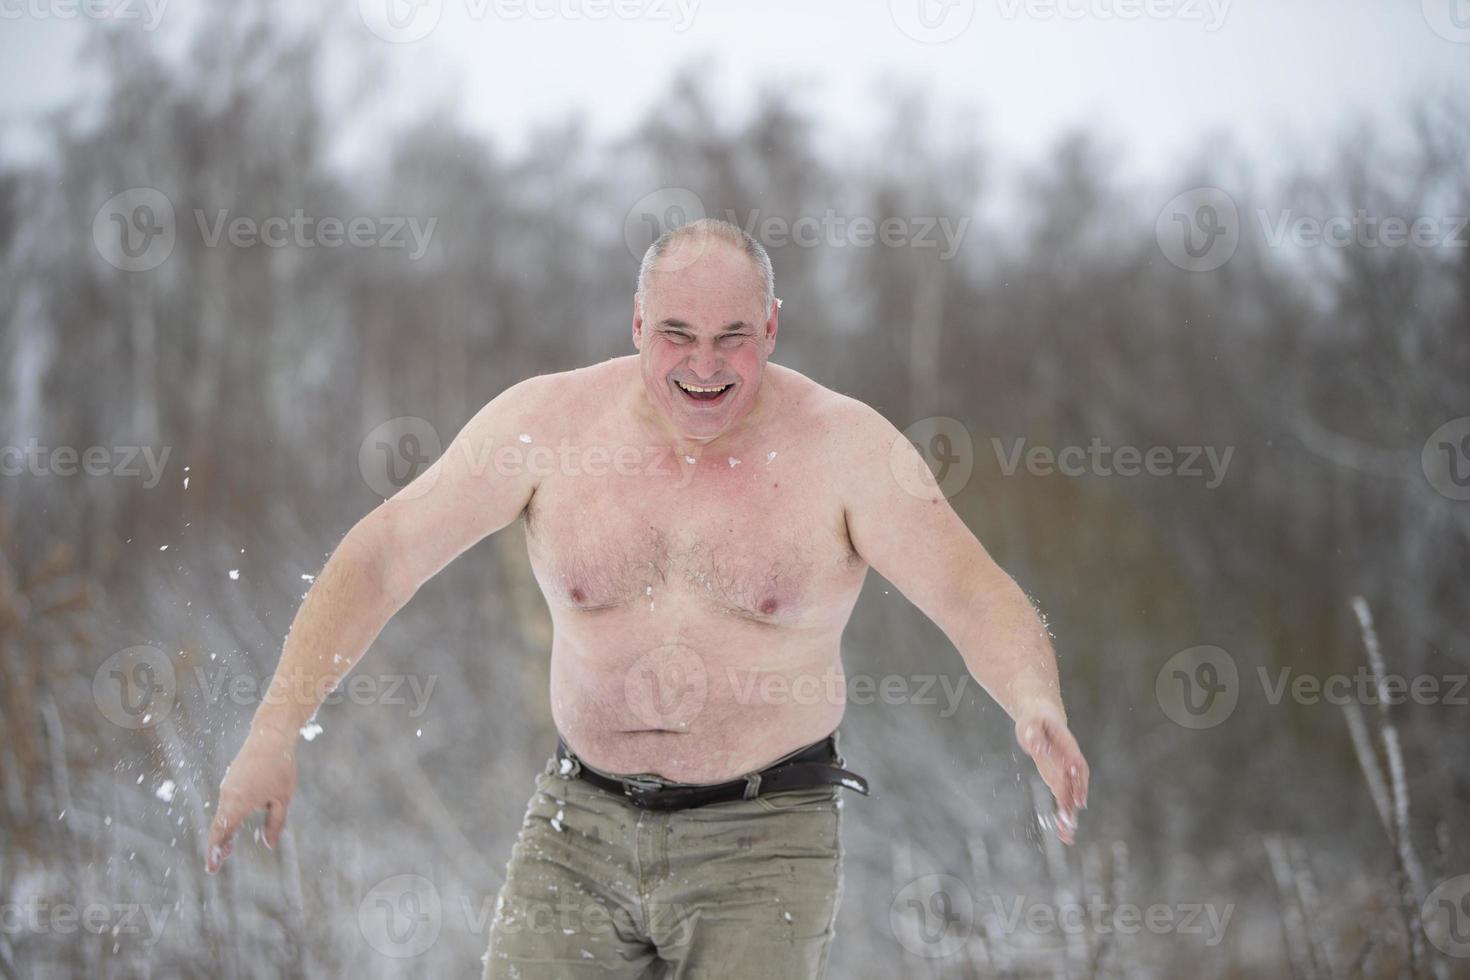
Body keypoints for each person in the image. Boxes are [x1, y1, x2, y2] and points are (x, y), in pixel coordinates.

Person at [206, 218, 1090, 978]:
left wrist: (1032, 697)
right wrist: (272, 732)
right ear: (635, 324)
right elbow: (386, 556)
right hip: (577, 823)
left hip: (766, 840)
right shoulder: (547, 426)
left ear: (774, 328)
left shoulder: (846, 451)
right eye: (676, 333)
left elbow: (974, 594)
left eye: (732, 335)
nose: (704, 365)